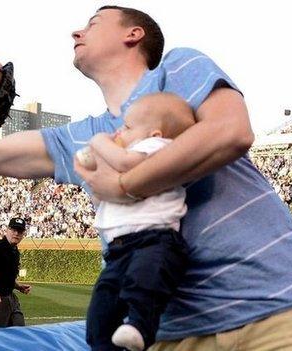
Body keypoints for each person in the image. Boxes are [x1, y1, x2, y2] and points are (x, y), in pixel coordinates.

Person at [0, 5, 292, 351]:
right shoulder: (80, 137)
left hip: (276, 309)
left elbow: (231, 132)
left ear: (133, 34)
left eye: (93, 23)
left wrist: (125, 185)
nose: (76, 32)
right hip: (170, 334)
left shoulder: (175, 70)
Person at [76, 93, 194, 350]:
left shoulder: (159, 148)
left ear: (155, 134)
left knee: (144, 286)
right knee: (103, 304)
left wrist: (99, 142)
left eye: (127, 127)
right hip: (120, 249)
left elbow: (126, 162)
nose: (120, 131)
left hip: (154, 240)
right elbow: (101, 195)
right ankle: (102, 338)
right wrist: (92, 170)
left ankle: (140, 327)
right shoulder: (132, 153)